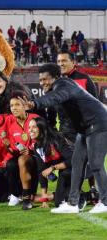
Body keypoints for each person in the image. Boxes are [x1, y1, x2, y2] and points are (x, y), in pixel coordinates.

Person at [19, 63, 107, 214]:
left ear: (56, 77)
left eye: (45, 79)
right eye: (40, 80)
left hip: (98, 124)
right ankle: (73, 203)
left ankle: (105, 202)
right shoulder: (60, 87)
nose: (42, 83)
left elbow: (53, 98)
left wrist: (34, 103)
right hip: (84, 128)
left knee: (96, 164)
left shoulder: (64, 85)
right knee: (77, 163)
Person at [57, 50, 99, 203]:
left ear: (73, 62)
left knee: (91, 160)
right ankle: (77, 191)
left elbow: (95, 104)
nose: (61, 64)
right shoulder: (58, 82)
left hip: (85, 128)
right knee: (75, 161)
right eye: (59, 61)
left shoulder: (84, 79)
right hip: (66, 130)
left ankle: (94, 190)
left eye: (64, 61)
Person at [28, 117, 73, 208]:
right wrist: (44, 198)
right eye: (29, 127)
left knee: (65, 175)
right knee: (58, 203)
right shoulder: (37, 146)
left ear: (42, 128)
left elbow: (72, 160)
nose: (30, 130)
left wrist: (53, 168)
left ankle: (90, 195)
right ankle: (71, 193)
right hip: (64, 171)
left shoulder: (56, 139)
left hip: (79, 167)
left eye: (34, 127)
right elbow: (42, 171)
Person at [5, 92, 39, 210]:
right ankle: (16, 194)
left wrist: (30, 149)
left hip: (37, 155)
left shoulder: (35, 118)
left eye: (17, 105)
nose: (14, 108)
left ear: (24, 106)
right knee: (10, 164)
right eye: (11, 106)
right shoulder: (11, 123)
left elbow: (43, 138)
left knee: (22, 159)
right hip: (21, 155)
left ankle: (26, 197)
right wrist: (9, 147)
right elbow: (13, 146)